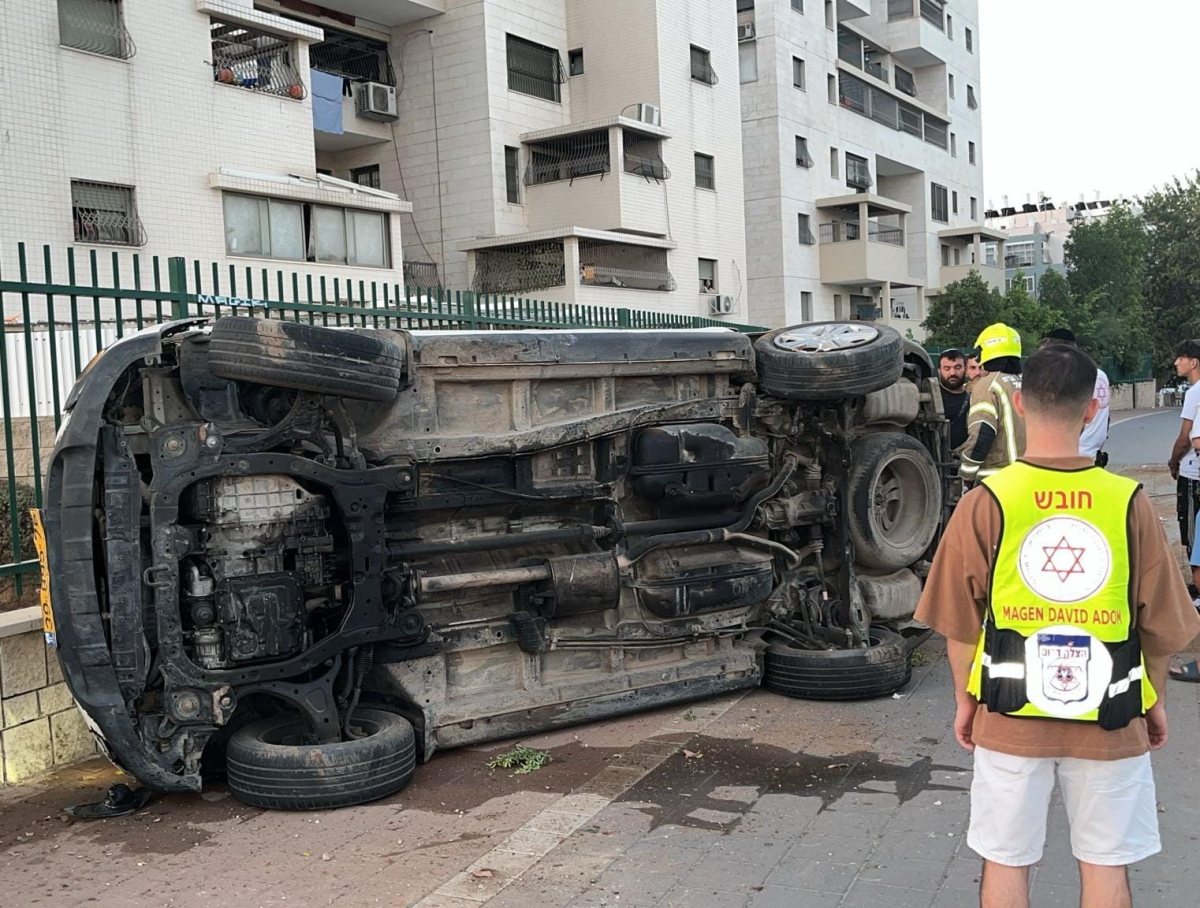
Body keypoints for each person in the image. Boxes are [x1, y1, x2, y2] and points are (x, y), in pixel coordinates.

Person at [915, 343, 1200, 908]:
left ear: (1018, 405)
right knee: (1105, 868)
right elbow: (1160, 626)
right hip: (1112, 720)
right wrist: (1155, 701)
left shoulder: (986, 501)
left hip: (1008, 716)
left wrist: (965, 700)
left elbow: (960, 628)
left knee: (1004, 862)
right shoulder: (1128, 502)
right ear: (1093, 409)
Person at [960, 323, 1026, 487]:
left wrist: (966, 476)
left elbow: (982, 434)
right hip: (1031, 478)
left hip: (999, 482)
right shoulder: (1028, 383)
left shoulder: (988, 385)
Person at [1040, 328, 1111, 465]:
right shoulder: (1100, 375)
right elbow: (1105, 419)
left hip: (1069, 459)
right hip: (1093, 457)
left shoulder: (1068, 375)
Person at [1167, 339, 1200, 609]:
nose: (1176, 362)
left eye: (1181, 358)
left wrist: (1174, 460)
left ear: (1194, 362)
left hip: (1192, 473)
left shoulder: (1194, 393)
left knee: (1190, 531)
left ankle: (1197, 587)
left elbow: (1186, 437)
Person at [937, 348, 969, 449]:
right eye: (947, 368)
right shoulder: (931, 397)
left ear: (965, 368)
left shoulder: (975, 397)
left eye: (957, 367)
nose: (952, 373)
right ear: (939, 371)